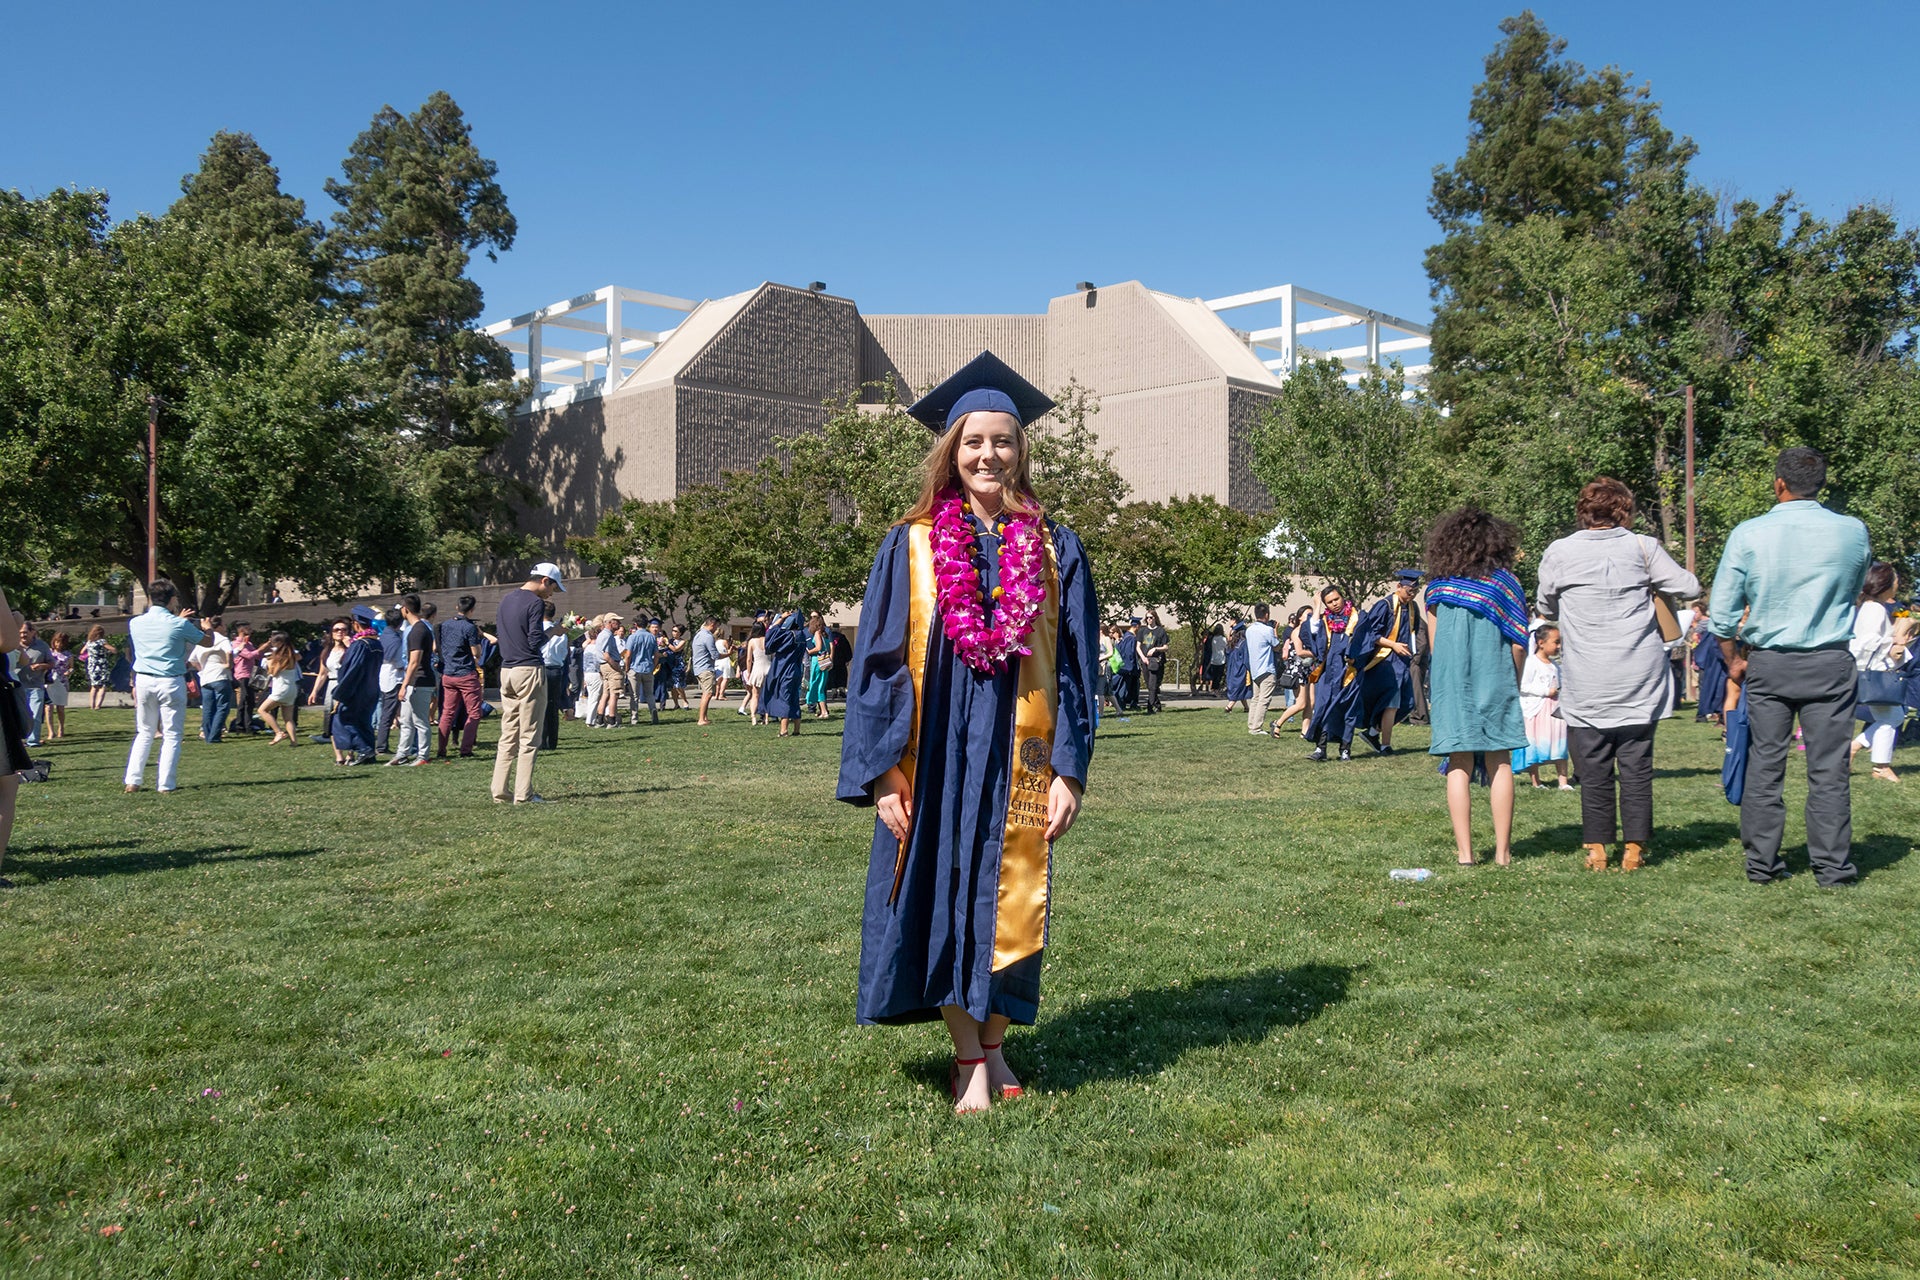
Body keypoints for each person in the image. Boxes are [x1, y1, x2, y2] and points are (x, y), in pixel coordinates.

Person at [840, 350, 1097, 1114]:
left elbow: (1080, 668)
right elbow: (880, 663)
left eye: (1003, 441)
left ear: (1022, 450)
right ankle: (968, 1056)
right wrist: (886, 771)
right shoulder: (911, 543)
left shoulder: (1056, 547)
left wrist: (1070, 770)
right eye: (973, 442)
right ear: (950, 452)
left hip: (1021, 753)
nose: (989, 455)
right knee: (944, 889)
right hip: (936, 754)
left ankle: (993, 1043)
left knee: (1006, 891)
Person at [1712, 449, 1871, 885]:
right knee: (1830, 770)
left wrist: (1734, 661)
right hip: (1829, 660)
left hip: (1771, 662)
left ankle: (1761, 865)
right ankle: (1833, 868)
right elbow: (1854, 589)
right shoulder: (1853, 532)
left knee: (1765, 765)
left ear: (1779, 483)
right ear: (1820, 484)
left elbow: (1722, 613)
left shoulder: (1749, 533)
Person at [1536, 477, 1700, 871]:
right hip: (1639, 679)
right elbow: (1689, 586)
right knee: (1637, 768)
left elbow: (1546, 604)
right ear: (1624, 510)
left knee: (1592, 770)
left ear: (1583, 511)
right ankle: (1634, 850)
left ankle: (1596, 849)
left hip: (1587, 679)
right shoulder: (1643, 546)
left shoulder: (1560, 551)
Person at [1424, 508, 1530, 866]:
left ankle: (1466, 854)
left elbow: (1435, 645)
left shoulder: (1437, 587)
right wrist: (1514, 679)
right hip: (1496, 676)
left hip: (1450, 683)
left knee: (1459, 762)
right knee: (1501, 761)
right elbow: (1518, 641)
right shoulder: (1506, 583)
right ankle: (1502, 853)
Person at [123, 579, 204, 793]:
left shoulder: (135, 623)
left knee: (145, 731)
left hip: (144, 679)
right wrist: (206, 628)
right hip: (170, 680)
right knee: (172, 734)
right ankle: (166, 784)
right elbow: (207, 641)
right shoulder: (179, 623)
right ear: (172, 599)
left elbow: (161, 629)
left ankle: (133, 780)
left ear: (151, 598)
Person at [492, 562, 563, 804]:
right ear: (544, 580)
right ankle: (524, 794)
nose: (552, 593)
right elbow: (534, 640)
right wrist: (554, 631)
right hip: (529, 670)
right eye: (553, 587)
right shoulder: (535, 603)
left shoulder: (506, 600)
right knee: (530, 735)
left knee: (508, 732)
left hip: (507, 671)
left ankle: (500, 791)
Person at [1353, 570, 1422, 754]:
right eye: (1409, 591)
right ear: (1398, 587)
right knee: (1391, 702)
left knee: (1407, 702)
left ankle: (1373, 732)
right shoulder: (1384, 606)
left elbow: (1412, 632)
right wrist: (1393, 645)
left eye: (1415, 591)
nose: (1412, 595)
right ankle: (1385, 745)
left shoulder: (1412, 607)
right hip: (1384, 662)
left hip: (1402, 660)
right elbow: (1371, 634)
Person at [1849, 561, 1904, 784]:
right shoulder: (1875, 609)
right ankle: (1881, 766)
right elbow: (1867, 642)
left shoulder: (1870, 607)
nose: (1898, 584)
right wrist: (1894, 640)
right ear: (1885, 584)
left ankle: (1856, 747)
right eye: (1896, 580)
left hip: (1871, 671)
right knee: (1891, 717)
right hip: (1875, 673)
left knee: (1894, 716)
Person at [1304, 587, 1362, 761]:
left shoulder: (1356, 617)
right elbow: (1312, 632)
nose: (1334, 604)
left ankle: (1345, 749)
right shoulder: (1324, 620)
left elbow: (1366, 640)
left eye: (1336, 599)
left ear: (1342, 597)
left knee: (1347, 710)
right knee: (1322, 708)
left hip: (1349, 672)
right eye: (1329, 602)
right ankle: (1321, 749)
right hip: (1327, 672)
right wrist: (1317, 606)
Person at [1512, 624, 1572, 789]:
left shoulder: (1555, 665)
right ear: (1541, 643)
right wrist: (1546, 691)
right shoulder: (1531, 663)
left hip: (1555, 711)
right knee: (1536, 743)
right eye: (1556, 642)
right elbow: (1523, 686)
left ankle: (1563, 781)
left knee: (1560, 742)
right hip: (1537, 711)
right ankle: (1536, 781)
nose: (1558, 646)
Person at [386, 594, 435, 766]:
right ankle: (402, 754)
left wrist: (404, 685)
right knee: (406, 720)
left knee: (420, 721)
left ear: (405, 609)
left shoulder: (418, 630)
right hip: (415, 682)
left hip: (420, 681)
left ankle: (423, 756)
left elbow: (415, 661)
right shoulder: (420, 628)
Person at [436, 595, 487, 759]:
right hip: (465, 673)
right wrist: (478, 639)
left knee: (447, 712)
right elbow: (476, 653)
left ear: (457, 607)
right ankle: (466, 749)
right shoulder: (469, 627)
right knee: (474, 713)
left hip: (448, 673)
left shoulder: (445, 625)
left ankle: (441, 750)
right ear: (472, 610)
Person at [329, 619, 382, 765]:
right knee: (364, 721)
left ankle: (363, 748)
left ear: (356, 624)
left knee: (344, 719)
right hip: (372, 687)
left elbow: (352, 668)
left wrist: (341, 690)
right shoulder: (376, 643)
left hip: (357, 688)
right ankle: (370, 754)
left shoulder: (359, 644)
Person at [762, 608, 808, 736]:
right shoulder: (802, 636)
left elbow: (770, 636)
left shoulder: (789, 635)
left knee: (785, 699)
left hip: (785, 670)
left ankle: (784, 730)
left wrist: (780, 619)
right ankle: (797, 729)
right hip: (796, 670)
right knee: (794, 698)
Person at [308, 620, 352, 744]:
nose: (340, 632)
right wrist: (314, 691)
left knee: (344, 713)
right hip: (331, 684)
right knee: (329, 712)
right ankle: (330, 735)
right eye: (336, 630)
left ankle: (347, 740)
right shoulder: (327, 651)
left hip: (345, 684)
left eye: (343, 629)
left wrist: (349, 646)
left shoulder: (351, 649)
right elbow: (322, 674)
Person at [256, 632, 302, 745]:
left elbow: (274, 673)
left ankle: (278, 732)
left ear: (280, 643)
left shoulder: (280, 657)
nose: (273, 645)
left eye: (274, 643)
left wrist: (269, 662)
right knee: (288, 718)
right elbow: (299, 656)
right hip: (292, 688)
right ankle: (294, 741)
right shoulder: (291, 654)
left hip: (281, 689)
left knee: (262, 710)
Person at [14, 620, 52, 747]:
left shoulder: (42, 646)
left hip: (36, 686)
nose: (22, 635)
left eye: (25, 632)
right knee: (17, 715)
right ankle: (17, 741)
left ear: (33, 632)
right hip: (17, 686)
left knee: (35, 714)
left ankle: (33, 741)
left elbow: (52, 663)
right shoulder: (12, 646)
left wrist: (42, 666)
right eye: (20, 633)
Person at [374, 608, 406, 756]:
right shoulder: (395, 639)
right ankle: (381, 746)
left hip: (384, 675)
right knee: (389, 713)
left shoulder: (383, 635)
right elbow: (399, 661)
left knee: (386, 712)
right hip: (394, 677)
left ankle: (381, 744)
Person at [1692, 604, 1729, 725]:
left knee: (1717, 686)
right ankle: (1715, 715)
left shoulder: (1712, 625)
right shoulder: (1715, 627)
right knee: (1716, 686)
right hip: (1716, 659)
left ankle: (1717, 716)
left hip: (1716, 657)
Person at [1244, 603, 1278, 735]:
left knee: (1255, 699)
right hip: (1266, 668)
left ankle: (1252, 725)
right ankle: (1256, 728)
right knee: (1264, 700)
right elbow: (1276, 646)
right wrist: (1274, 631)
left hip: (1255, 669)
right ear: (1267, 615)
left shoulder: (1249, 630)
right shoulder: (1267, 630)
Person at [540, 601, 570, 751]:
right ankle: (552, 740)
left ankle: (541, 739)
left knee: (540, 705)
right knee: (553, 705)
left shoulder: (538, 630)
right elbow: (564, 653)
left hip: (541, 668)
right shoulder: (561, 632)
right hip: (556, 669)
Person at [624, 614, 659, 725]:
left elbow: (628, 654)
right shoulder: (651, 637)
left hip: (635, 667)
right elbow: (656, 654)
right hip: (648, 667)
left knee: (634, 695)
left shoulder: (632, 637)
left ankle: (634, 717)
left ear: (636, 624)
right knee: (649, 693)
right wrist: (653, 665)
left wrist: (627, 668)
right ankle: (653, 709)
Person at [229, 624, 262, 735]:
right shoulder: (236, 644)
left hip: (251, 674)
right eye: (248, 632)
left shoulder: (249, 644)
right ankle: (239, 725)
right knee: (244, 699)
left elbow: (257, 656)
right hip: (242, 674)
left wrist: (263, 650)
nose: (250, 634)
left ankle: (248, 724)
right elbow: (249, 656)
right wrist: (264, 647)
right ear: (242, 632)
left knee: (250, 701)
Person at [692, 616, 722, 724]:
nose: (716, 630)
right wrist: (728, 654)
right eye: (716, 627)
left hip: (698, 668)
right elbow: (715, 655)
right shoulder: (708, 637)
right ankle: (701, 719)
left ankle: (704, 718)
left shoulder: (698, 634)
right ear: (712, 624)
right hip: (706, 668)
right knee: (708, 693)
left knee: (706, 692)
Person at [43, 630, 72, 740]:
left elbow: (71, 667)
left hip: (62, 682)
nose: (58, 645)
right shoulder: (49, 652)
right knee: (48, 707)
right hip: (50, 681)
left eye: (61, 642)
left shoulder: (68, 655)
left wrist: (69, 672)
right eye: (57, 642)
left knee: (60, 708)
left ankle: (61, 728)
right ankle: (51, 731)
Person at [1139, 610, 1169, 712]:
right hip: (1144, 660)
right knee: (1149, 685)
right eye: (1147, 617)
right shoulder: (1142, 631)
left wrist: (1156, 649)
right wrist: (1142, 657)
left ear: (1155, 618)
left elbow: (1166, 647)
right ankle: (1157, 705)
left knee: (1153, 685)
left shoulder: (1161, 631)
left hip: (1156, 661)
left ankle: (1150, 706)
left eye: (1151, 617)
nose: (1149, 619)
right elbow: (1138, 646)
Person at [804, 614, 832, 719]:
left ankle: (824, 711)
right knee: (821, 686)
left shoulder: (817, 633)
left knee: (816, 686)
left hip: (817, 661)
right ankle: (823, 711)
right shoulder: (824, 634)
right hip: (824, 662)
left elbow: (818, 647)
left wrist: (809, 651)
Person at [81, 625, 116, 711]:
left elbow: (82, 651)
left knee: (94, 686)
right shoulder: (102, 641)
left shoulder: (89, 642)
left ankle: (91, 705)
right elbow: (113, 650)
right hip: (101, 665)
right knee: (102, 686)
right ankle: (98, 705)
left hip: (92, 665)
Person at [740, 622, 769, 722]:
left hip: (757, 668)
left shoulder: (752, 641)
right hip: (768, 667)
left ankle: (753, 716)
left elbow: (749, 659)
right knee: (768, 694)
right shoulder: (768, 640)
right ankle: (766, 717)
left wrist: (748, 672)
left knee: (755, 694)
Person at [1223, 622, 1250, 712]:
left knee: (1241, 688)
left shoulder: (1232, 643)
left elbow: (1226, 653)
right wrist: (1249, 668)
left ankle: (1246, 708)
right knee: (1238, 687)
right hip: (1240, 668)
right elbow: (1246, 658)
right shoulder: (1244, 643)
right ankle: (1229, 707)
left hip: (1231, 668)